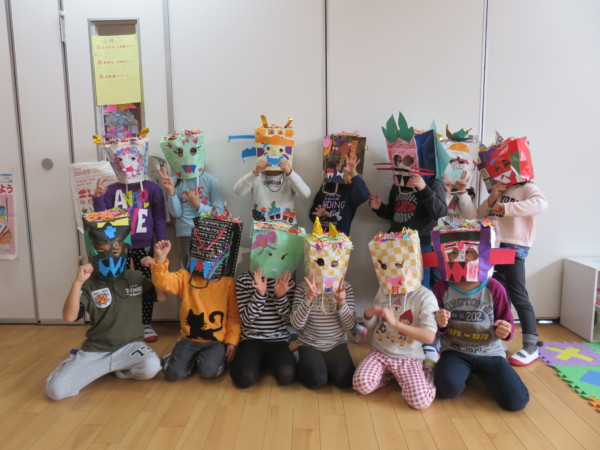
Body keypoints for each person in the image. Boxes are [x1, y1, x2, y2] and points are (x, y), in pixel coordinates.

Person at [45, 209, 163, 401]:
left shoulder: (134, 277)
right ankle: (75, 364)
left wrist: (158, 265)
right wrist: (77, 283)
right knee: (55, 392)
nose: (110, 254)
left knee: (151, 367)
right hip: (97, 351)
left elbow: (161, 296)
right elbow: (69, 316)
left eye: (115, 250)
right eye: (102, 250)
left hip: (129, 347)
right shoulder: (90, 284)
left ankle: (120, 370)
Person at [93, 133, 167, 343]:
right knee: (118, 284)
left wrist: (161, 243)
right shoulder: (111, 189)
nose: (126, 164)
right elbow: (102, 218)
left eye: (132, 158)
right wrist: (98, 198)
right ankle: (122, 324)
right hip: (118, 246)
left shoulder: (152, 188)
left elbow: (159, 217)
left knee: (146, 285)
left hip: (145, 246)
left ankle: (146, 324)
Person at [352, 229, 438, 410]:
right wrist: (369, 315)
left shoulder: (425, 297)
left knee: (419, 402)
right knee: (361, 384)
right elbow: (373, 326)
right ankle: (391, 375)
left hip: (409, 357)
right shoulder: (384, 290)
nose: (392, 272)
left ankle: (427, 369)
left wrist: (396, 324)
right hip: (380, 352)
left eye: (398, 265)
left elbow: (429, 337)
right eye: (384, 266)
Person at [432, 276, 530, 411]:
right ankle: (465, 372)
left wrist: (506, 331)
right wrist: (440, 323)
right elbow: (434, 325)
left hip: (491, 353)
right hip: (455, 352)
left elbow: (507, 321)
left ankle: (476, 373)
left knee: (517, 401)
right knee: (446, 388)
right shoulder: (441, 287)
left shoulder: (494, 287)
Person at [478, 180, 548, 365]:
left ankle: (531, 344)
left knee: (518, 294)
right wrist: (492, 198)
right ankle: (500, 339)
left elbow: (541, 204)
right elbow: (479, 215)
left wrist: (507, 208)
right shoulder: (500, 189)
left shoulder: (527, 188)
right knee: (500, 294)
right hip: (494, 244)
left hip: (514, 246)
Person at [151, 239, 241, 381]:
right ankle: (184, 359)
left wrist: (232, 341)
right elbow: (164, 282)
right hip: (189, 339)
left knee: (209, 372)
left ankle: (199, 359)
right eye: (200, 251)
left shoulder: (228, 283)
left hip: (215, 341)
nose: (205, 256)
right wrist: (161, 260)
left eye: (212, 252)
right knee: (174, 374)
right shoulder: (185, 277)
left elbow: (233, 316)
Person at [158, 130, 224, 269]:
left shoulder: (210, 180)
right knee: (189, 270)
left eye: (192, 151)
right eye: (180, 153)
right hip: (185, 233)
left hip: (208, 232)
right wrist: (171, 192)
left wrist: (198, 206)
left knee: (209, 271)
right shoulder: (174, 181)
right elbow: (176, 213)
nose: (186, 157)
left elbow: (219, 213)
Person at [230, 269, 296, 388]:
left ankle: (262, 361)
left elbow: (289, 320)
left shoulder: (286, 280)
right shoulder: (244, 280)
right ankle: (251, 361)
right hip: (251, 339)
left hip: (278, 340)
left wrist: (280, 296)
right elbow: (246, 319)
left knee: (286, 375)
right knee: (245, 378)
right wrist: (260, 294)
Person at [291, 274, 356, 389]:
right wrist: (308, 300)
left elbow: (349, 325)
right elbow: (296, 324)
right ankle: (301, 360)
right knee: (317, 380)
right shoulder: (303, 288)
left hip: (336, 344)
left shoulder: (344, 287)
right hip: (309, 344)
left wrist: (341, 302)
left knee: (345, 380)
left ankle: (323, 366)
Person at [233, 158, 310, 225]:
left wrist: (290, 173)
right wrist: (254, 173)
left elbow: (305, 194)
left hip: (286, 228)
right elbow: (238, 190)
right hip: (260, 228)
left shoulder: (289, 177)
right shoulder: (256, 176)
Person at [309, 155, 369, 236]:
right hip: (322, 238)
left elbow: (364, 195)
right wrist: (320, 215)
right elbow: (312, 214)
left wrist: (353, 173)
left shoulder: (350, 189)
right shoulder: (325, 188)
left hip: (341, 240)